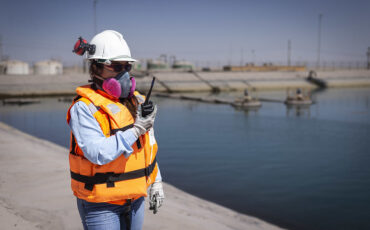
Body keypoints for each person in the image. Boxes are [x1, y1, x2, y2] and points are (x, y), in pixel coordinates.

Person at [67, 30, 164, 230]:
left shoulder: (137, 101)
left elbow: (148, 147)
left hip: (135, 198)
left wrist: (156, 182)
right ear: (96, 68)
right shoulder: (84, 108)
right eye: (116, 66)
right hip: (101, 204)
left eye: (127, 66)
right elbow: (97, 153)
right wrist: (137, 129)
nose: (124, 73)